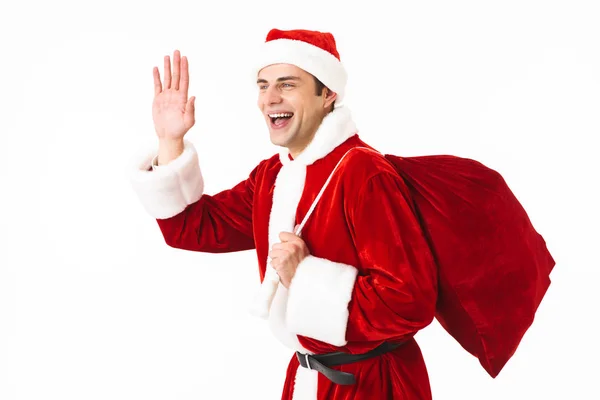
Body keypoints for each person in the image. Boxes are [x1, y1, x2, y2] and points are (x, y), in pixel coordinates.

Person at [129, 28, 439, 400]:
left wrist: (303, 276)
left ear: (328, 95)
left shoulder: (365, 174)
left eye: (287, 85)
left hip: (373, 384)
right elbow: (193, 228)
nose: (270, 99)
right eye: (263, 85)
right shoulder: (273, 177)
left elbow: (410, 304)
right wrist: (170, 141)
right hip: (307, 378)